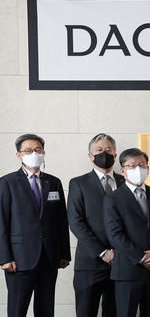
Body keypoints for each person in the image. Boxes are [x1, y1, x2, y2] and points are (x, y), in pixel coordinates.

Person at [0, 134, 71, 317]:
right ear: (19, 155)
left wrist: (64, 253)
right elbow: (2, 222)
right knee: (17, 309)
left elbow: (61, 220)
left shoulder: (53, 182)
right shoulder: (7, 182)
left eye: (38, 150)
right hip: (19, 259)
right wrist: (4, 257)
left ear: (43, 153)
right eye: (28, 150)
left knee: (46, 309)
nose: (34, 154)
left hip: (49, 256)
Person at [104, 148, 150, 317]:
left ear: (148, 168)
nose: (138, 169)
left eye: (142, 165)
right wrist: (141, 257)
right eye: (132, 166)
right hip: (127, 270)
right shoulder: (113, 198)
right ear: (123, 171)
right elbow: (115, 235)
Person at [68, 133, 124, 317]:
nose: (104, 153)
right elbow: (76, 222)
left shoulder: (126, 182)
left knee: (116, 312)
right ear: (90, 155)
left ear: (115, 155)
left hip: (122, 262)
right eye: (99, 150)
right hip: (90, 262)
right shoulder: (78, 183)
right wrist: (102, 252)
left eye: (108, 150)